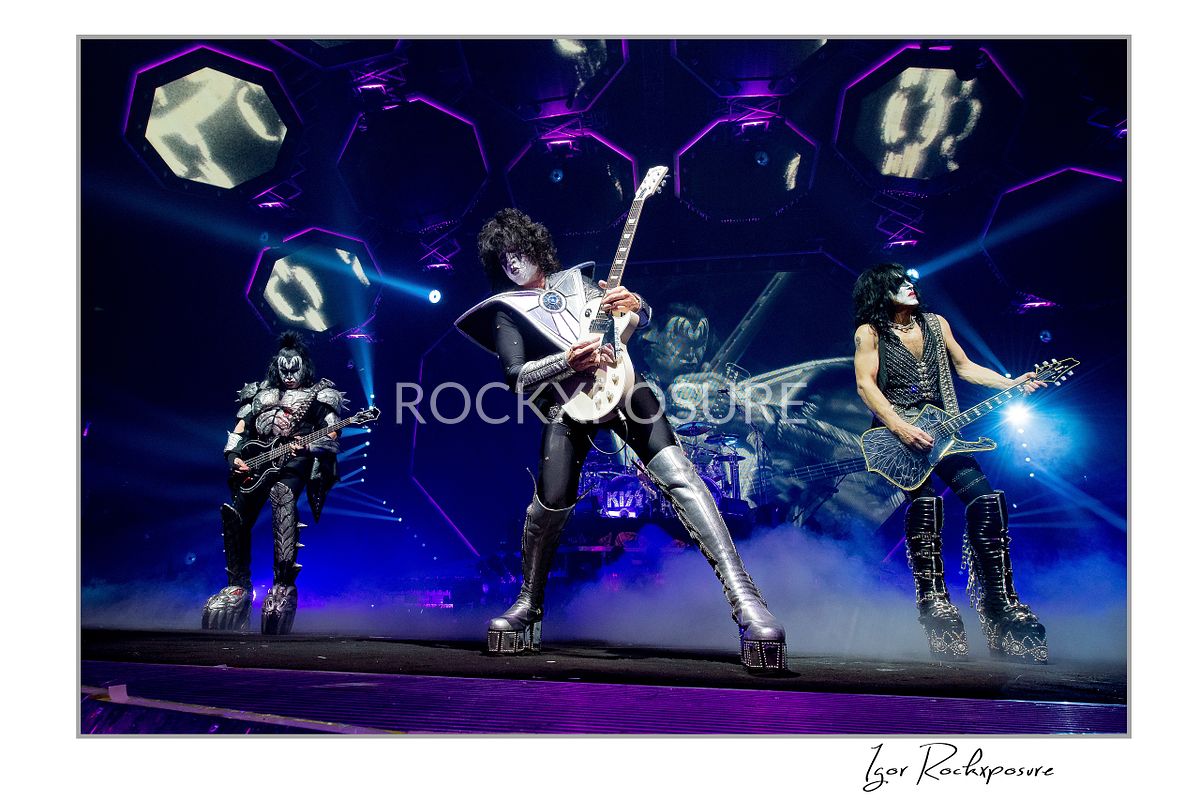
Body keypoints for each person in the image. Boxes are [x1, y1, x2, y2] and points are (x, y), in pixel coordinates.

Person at [455, 208, 786, 671]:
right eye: (504, 259)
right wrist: (568, 361)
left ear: (537, 249)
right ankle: (528, 603)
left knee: (682, 477)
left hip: (625, 384)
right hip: (567, 405)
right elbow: (515, 377)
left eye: (520, 252)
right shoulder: (507, 312)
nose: (514, 263)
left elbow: (634, 317)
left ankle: (747, 601)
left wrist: (638, 307)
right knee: (551, 503)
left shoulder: (579, 284)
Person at [851, 263, 1048, 663]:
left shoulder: (936, 324)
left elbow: (965, 367)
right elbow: (865, 384)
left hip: (945, 432)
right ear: (880, 292)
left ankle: (1000, 605)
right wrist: (899, 425)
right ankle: (935, 604)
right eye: (899, 284)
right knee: (926, 507)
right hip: (898, 437)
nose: (909, 286)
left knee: (986, 500)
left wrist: (1011, 384)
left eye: (909, 282)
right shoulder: (869, 333)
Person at [202, 331, 346, 634]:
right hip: (257, 464)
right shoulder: (258, 393)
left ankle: (282, 586)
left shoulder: (321, 394)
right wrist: (234, 459)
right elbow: (238, 432)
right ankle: (238, 588)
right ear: (276, 366)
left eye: (295, 368)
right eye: (284, 368)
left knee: (283, 499)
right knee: (234, 513)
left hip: (293, 464)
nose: (290, 374)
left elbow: (332, 437)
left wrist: (307, 446)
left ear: (303, 365)